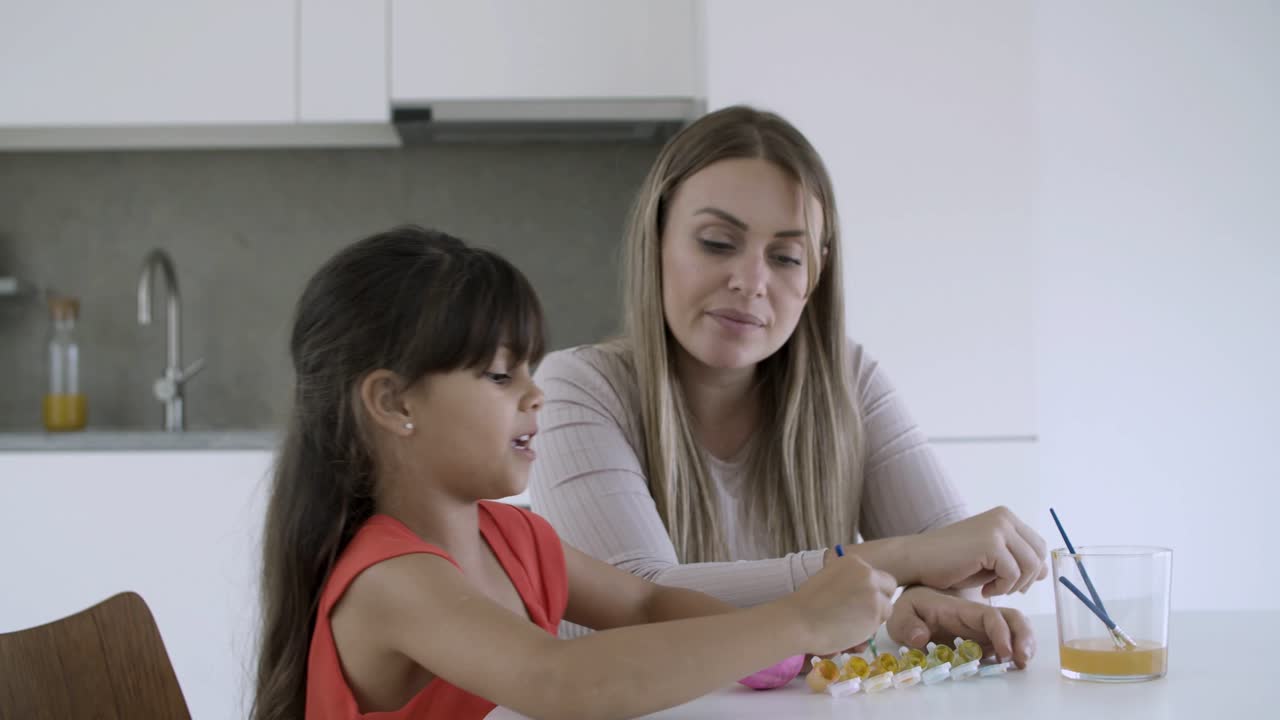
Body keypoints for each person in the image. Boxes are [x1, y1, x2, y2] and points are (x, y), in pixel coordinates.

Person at [251, 226, 897, 720]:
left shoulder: (516, 540)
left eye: (531, 371)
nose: (535, 396)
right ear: (393, 403)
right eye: (502, 375)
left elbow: (647, 604)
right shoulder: (389, 579)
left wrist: (778, 649)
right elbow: (557, 677)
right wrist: (798, 621)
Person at [529, 106, 1047, 664]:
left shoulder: (851, 381)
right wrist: (894, 562)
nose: (751, 283)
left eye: (785, 257)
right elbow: (639, 596)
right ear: (656, 241)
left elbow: (952, 556)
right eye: (717, 243)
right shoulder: (576, 386)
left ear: (815, 275)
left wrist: (936, 599)